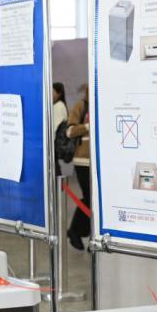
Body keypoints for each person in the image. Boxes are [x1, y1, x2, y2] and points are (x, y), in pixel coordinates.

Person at [66, 84, 90, 250]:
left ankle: (81, 232)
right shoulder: (81, 106)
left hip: (99, 163)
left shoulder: (103, 106)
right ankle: (75, 231)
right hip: (83, 161)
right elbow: (70, 131)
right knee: (89, 198)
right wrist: (88, 126)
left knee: (94, 201)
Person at [52, 82, 68, 176]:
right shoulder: (58, 106)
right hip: (56, 143)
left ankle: (57, 183)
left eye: (52, 92)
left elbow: (55, 127)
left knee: (54, 167)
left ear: (59, 94)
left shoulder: (58, 106)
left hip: (55, 143)